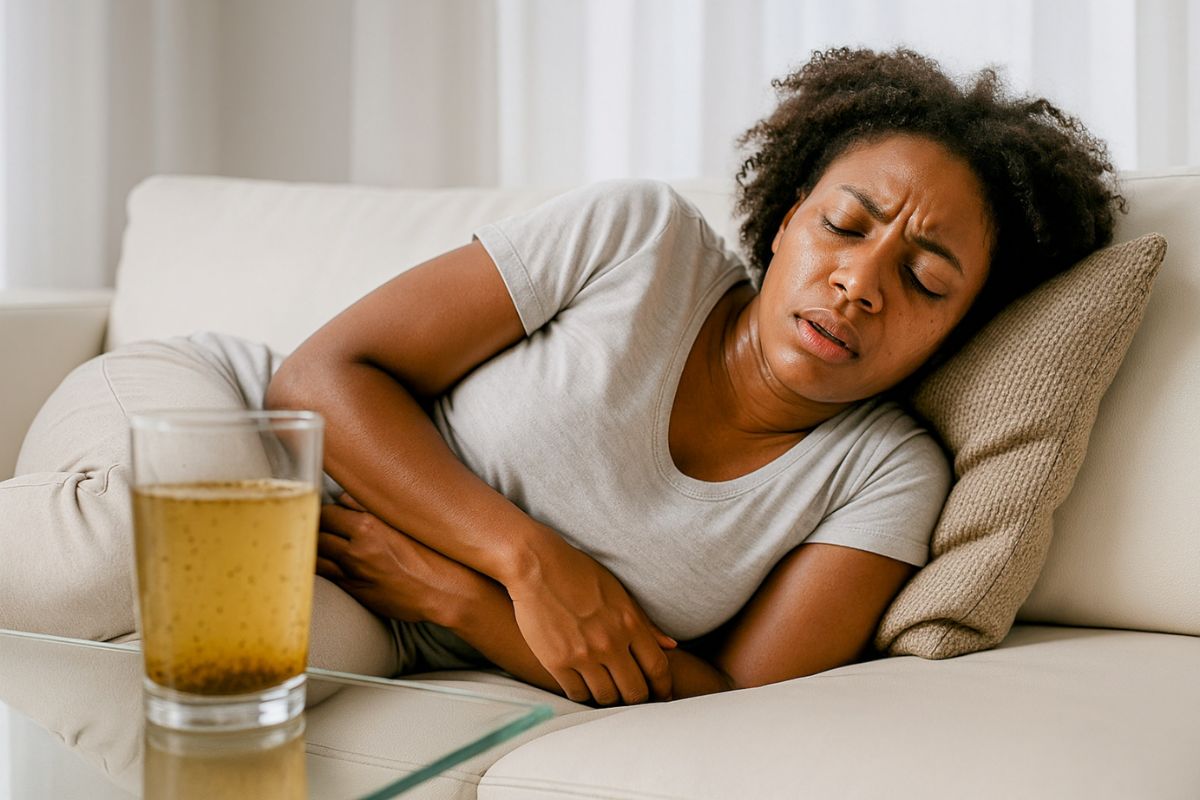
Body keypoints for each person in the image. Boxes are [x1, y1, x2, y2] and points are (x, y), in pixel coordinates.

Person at [0, 48, 1122, 707]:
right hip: (235, 416)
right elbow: (322, 372)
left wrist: (459, 599)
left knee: (227, 668)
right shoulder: (641, 242)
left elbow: (723, 699)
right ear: (783, 222)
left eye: (925, 278)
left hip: (374, 602)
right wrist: (527, 558)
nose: (860, 282)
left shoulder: (882, 478)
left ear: (960, 329)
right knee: (139, 553)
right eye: (845, 224)